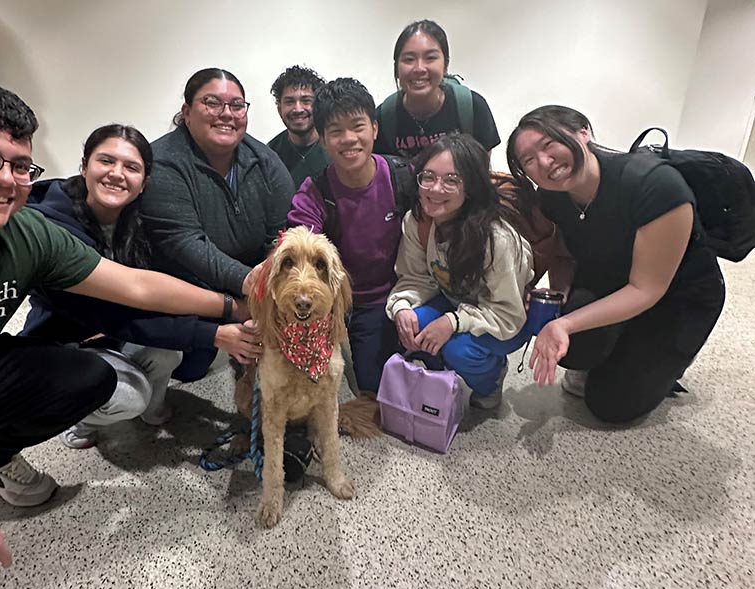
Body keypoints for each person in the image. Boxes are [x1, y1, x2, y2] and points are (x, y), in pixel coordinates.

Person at [0, 82, 259, 589]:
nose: (4, 180)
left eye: (20, 166)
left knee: (87, 376)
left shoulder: (24, 233)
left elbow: (135, 286)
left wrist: (239, 305)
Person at [23, 124, 262, 449]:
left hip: (117, 332)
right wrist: (219, 327)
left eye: (131, 167)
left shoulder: (139, 221)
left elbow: (175, 282)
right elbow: (116, 313)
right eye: (106, 161)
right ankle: (82, 418)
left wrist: (240, 295)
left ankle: (152, 407)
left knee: (174, 353)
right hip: (65, 343)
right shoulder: (52, 227)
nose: (117, 174)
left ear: (144, 183)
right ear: (84, 167)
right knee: (129, 397)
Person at [506, 105, 725, 423]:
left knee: (611, 406)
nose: (543, 162)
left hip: (677, 297)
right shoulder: (553, 197)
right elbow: (566, 256)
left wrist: (566, 324)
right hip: (611, 281)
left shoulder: (655, 185)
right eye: (528, 160)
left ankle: (661, 361)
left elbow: (646, 289)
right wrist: (558, 299)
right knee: (573, 344)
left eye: (548, 144)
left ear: (583, 133)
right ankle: (619, 347)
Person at [139, 67, 295, 382]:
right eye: (212, 103)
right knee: (191, 370)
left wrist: (266, 285)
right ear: (186, 111)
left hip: (252, 278)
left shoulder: (265, 161)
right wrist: (249, 291)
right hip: (187, 284)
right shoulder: (162, 162)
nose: (226, 114)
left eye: (237, 106)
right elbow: (186, 244)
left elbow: (282, 232)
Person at [386, 133, 533, 407]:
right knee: (412, 323)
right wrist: (403, 306)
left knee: (459, 350)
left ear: (471, 188)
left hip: (503, 314)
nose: (435, 189)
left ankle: (491, 379)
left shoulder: (496, 239)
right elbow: (416, 277)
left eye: (451, 180)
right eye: (428, 176)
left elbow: (508, 312)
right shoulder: (418, 221)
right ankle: (440, 376)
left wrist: (453, 322)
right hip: (455, 300)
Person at [286, 77, 405, 393]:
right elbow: (297, 242)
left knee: (391, 382)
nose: (349, 139)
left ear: (375, 129)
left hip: (398, 294)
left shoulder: (402, 176)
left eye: (358, 126)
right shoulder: (315, 192)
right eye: (336, 131)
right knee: (361, 387)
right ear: (323, 140)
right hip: (344, 302)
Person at [373, 19, 499, 158]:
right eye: (409, 59)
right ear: (397, 68)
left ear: (445, 65)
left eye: (430, 58)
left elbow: (482, 172)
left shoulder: (473, 107)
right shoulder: (383, 119)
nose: (419, 68)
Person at [267, 65, 331, 189]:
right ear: (280, 109)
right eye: (290, 102)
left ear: (318, 106)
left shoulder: (337, 147)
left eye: (306, 101)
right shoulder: (268, 156)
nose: (298, 109)